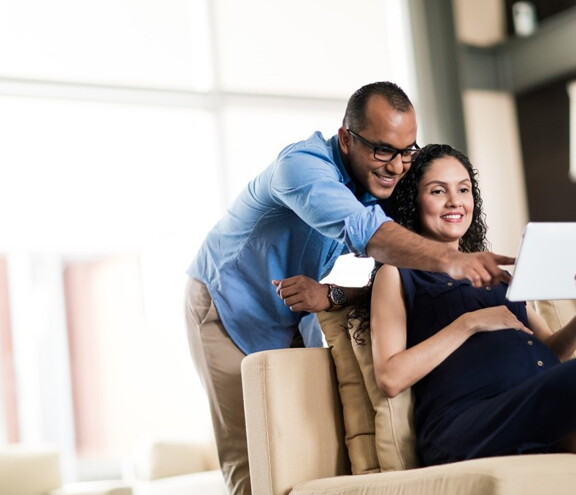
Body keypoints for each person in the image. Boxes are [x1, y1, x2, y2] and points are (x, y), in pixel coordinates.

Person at [184, 82, 515, 495]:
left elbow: (393, 282)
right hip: (227, 304)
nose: (396, 166)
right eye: (383, 150)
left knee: (303, 454)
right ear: (346, 138)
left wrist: (334, 294)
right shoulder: (301, 168)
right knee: (253, 458)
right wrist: (452, 260)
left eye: (407, 150)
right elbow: (368, 233)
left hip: (295, 311)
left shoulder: (383, 181)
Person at [361, 143, 576, 495]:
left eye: (463, 189)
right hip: (467, 423)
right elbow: (391, 377)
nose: (455, 201)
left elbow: (554, 351)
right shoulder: (398, 274)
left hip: (529, 404)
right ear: (413, 200)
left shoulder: (497, 274)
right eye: (438, 191)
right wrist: (469, 323)